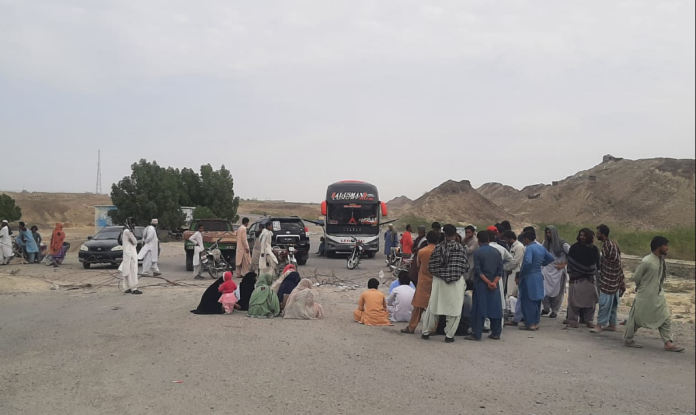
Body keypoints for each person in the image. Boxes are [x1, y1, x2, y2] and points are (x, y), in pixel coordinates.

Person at [624, 237, 685, 352]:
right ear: (658, 246)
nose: (667, 248)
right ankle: (628, 339)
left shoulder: (660, 260)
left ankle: (668, 343)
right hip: (646, 295)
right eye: (665, 245)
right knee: (637, 318)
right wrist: (640, 286)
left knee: (665, 317)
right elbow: (636, 277)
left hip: (658, 295)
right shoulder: (647, 261)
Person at [421, 224, 470, 343]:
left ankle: (426, 332)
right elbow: (465, 266)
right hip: (456, 283)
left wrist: (442, 273)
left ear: (445, 233)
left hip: (439, 281)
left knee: (433, 306)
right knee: (454, 309)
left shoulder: (438, 248)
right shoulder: (460, 248)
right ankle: (449, 336)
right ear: (455, 234)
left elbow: (431, 266)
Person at [467, 231, 504, 341]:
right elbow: (500, 270)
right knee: (495, 308)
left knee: (479, 309)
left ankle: (476, 333)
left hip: (482, 284)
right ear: (488, 240)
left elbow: (478, 271)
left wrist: (487, 282)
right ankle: (496, 332)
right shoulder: (496, 252)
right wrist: (493, 282)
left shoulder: (478, 252)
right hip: (494, 284)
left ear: (478, 240)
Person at [401, 231, 439, 334]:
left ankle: (411, 327)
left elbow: (418, 264)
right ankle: (432, 328)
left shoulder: (422, 251)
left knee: (418, 307)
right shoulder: (439, 251)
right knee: (434, 307)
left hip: (423, 281)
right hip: (436, 282)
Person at [518, 230, 555, 331]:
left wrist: (521, 273)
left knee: (527, 300)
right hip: (538, 275)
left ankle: (529, 324)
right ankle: (535, 323)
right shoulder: (540, 247)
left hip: (529, 276)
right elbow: (551, 258)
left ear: (526, 239)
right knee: (536, 301)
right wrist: (541, 263)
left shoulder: (529, 248)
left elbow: (527, 262)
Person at [592, 224, 625, 334]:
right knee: (613, 304)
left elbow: (615, 262)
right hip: (612, 279)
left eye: (598, 233)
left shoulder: (610, 245)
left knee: (604, 303)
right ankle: (612, 324)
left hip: (610, 280)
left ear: (603, 234)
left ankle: (599, 325)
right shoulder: (607, 245)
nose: (597, 235)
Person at [565, 228, 600, 329]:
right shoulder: (574, 248)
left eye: (584, 235)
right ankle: (572, 320)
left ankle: (589, 320)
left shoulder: (594, 249)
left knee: (591, 301)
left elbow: (596, 265)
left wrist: (592, 272)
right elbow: (570, 263)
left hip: (589, 279)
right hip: (576, 278)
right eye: (581, 235)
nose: (582, 237)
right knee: (573, 301)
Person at [541, 225, 570, 318]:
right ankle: (546, 308)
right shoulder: (545, 243)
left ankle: (555, 310)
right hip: (547, 268)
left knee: (558, 292)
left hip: (558, 270)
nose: (548, 235)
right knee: (544, 289)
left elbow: (572, 255)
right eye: (547, 233)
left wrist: (564, 264)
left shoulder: (563, 244)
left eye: (550, 233)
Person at [119, 221, 141, 295]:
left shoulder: (125, 231)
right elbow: (135, 242)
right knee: (132, 271)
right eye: (133, 224)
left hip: (127, 254)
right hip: (131, 254)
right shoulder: (128, 231)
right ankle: (134, 288)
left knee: (127, 271)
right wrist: (134, 241)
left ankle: (127, 287)